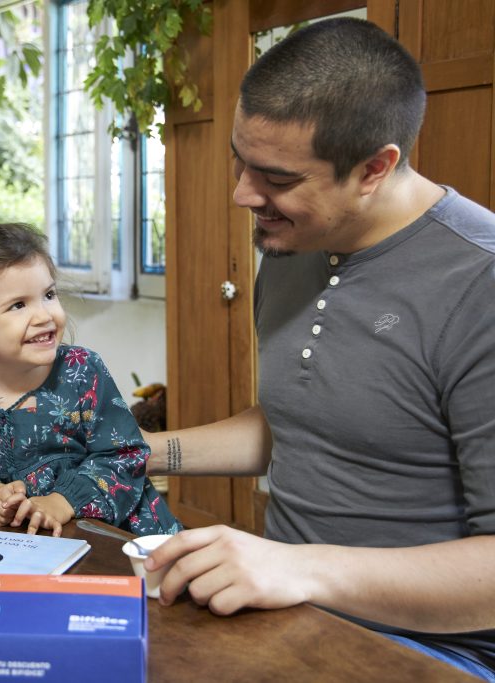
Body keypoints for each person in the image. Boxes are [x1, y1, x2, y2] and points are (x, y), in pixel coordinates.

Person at [142, 17, 495, 680]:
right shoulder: (295, 242)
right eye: (239, 161)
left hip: (434, 652)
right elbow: (303, 421)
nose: (244, 195)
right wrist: (142, 452)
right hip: (288, 615)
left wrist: (298, 567)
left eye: (274, 177)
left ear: (374, 168)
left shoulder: (481, 283)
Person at [0, 218, 180, 538]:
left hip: (117, 538)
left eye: (48, 295)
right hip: (30, 546)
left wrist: (64, 501)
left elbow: (123, 455)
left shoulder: (81, 372)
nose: (45, 315)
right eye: (18, 305)